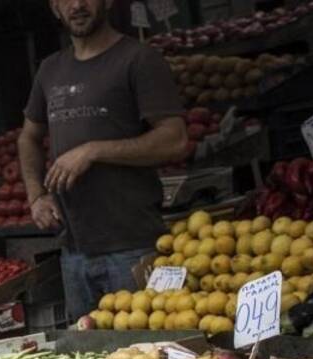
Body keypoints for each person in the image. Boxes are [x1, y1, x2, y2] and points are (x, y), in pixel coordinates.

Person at [19, 0, 189, 321]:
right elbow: (28, 137)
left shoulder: (139, 59)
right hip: (74, 254)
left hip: (133, 249)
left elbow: (175, 139)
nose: (78, 5)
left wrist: (94, 150)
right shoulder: (50, 70)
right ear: (54, 7)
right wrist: (35, 196)